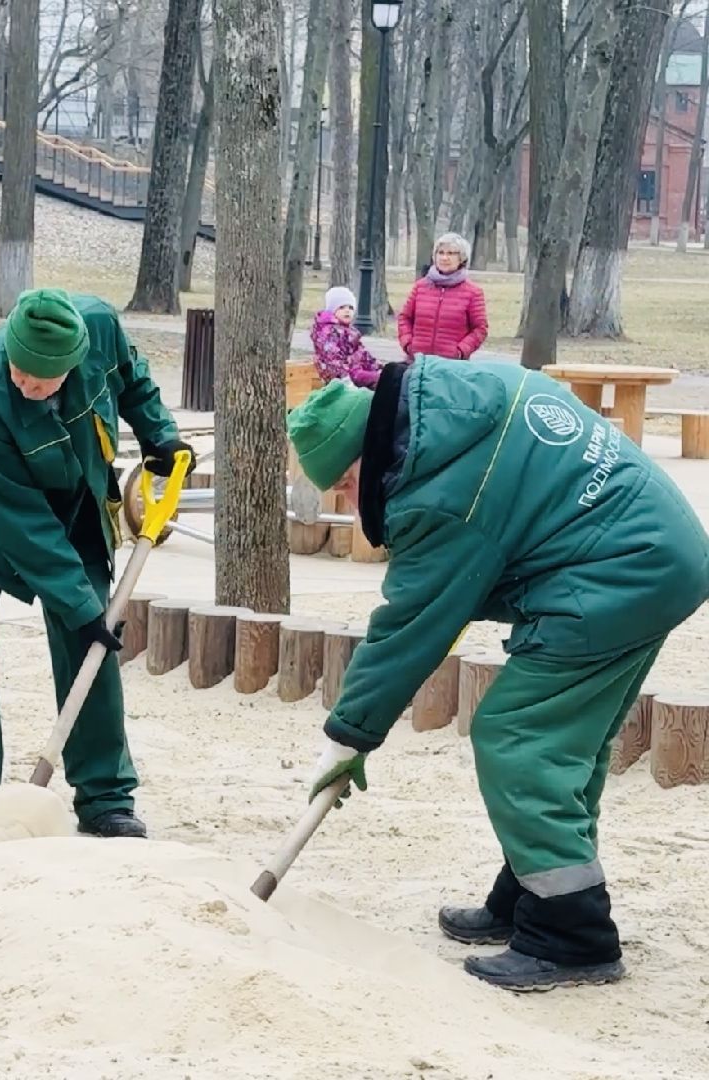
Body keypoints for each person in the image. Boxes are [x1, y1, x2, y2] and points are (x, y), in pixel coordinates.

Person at [287, 357, 709, 991]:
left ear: (363, 455)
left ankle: (572, 934)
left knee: (517, 737)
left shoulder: (438, 489)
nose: (349, 499)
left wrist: (348, 734)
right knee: (566, 745)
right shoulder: (455, 404)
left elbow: (411, 622)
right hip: (657, 547)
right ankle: (534, 894)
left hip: (617, 570)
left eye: (345, 484)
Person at [0, 289, 195, 838]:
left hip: (74, 498)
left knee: (91, 633)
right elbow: (20, 520)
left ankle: (104, 796)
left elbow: (133, 379)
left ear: (71, 362)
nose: (26, 384)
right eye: (19, 371)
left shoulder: (98, 326)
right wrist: (77, 602)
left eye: (40, 379)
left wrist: (159, 434)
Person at [397, 232, 489, 361]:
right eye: (441, 253)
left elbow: (480, 328)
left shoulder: (473, 292)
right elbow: (404, 318)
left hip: (451, 366)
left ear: (461, 258)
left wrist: (460, 351)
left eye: (451, 253)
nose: (444, 258)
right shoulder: (420, 287)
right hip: (418, 362)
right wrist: (408, 344)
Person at [310, 286, 382, 388]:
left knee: (387, 376)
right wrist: (347, 381)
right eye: (342, 307)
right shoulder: (328, 333)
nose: (347, 311)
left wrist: (378, 368)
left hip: (356, 374)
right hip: (342, 382)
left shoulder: (351, 333)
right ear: (332, 310)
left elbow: (364, 355)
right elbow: (333, 363)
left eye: (350, 308)